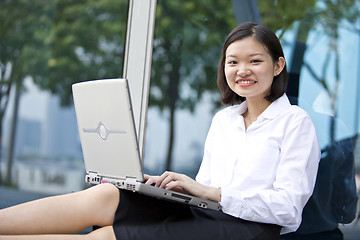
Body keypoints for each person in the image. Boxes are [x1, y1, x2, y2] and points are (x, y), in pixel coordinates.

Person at [0, 22, 321, 240]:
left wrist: (213, 193)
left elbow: (288, 209)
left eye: (255, 61)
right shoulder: (224, 121)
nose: (242, 71)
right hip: (207, 215)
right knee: (109, 194)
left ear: (278, 66)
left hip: (251, 230)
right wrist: (181, 189)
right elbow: (205, 189)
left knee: (111, 235)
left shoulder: (296, 123)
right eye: (233, 62)